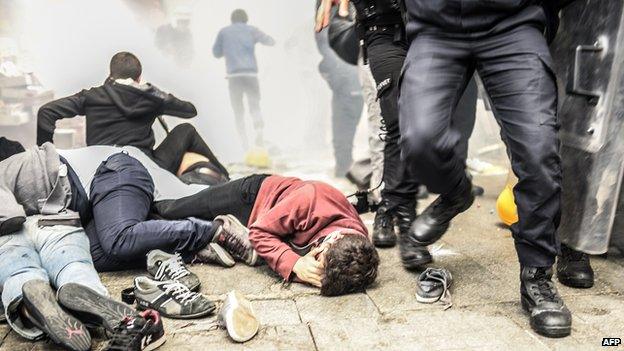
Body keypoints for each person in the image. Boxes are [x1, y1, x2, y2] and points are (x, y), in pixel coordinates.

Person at [397, 0, 570, 338]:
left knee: (538, 151)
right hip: (435, 27)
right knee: (420, 140)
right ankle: (455, 194)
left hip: (512, 23)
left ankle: (536, 275)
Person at [316, 0, 478, 264]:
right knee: (395, 122)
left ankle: (398, 205)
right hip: (383, 26)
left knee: (420, 126)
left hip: (436, 28)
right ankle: (400, 219)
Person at [0, 144, 161, 351]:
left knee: (19, 275)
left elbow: (11, 219)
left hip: (10, 239)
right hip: (57, 220)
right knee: (74, 266)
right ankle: (88, 297)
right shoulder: (22, 164)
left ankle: (28, 308)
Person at [0, 143, 249, 273]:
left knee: (118, 239)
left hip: (110, 170)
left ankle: (214, 230)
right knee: (93, 257)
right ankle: (191, 248)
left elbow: (11, 219)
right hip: (92, 203)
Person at [154, 175, 380, 296]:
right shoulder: (311, 200)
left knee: (182, 224)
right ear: (331, 241)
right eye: (318, 262)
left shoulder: (358, 244)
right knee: (169, 210)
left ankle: (216, 231)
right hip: (252, 197)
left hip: (274, 219)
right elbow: (259, 231)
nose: (314, 270)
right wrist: (294, 264)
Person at [36, 51, 229, 182]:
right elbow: (189, 111)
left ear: (111, 74)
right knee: (186, 131)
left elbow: (46, 112)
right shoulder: (151, 98)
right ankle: (226, 176)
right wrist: (156, 93)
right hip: (144, 169)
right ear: (139, 77)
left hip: (100, 169)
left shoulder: (92, 96)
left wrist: (47, 159)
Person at [212, 9, 275, 149]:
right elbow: (270, 41)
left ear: (232, 19)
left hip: (234, 77)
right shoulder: (252, 30)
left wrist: (228, 49)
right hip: (251, 75)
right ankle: (259, 130)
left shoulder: (224, 32)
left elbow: (216, 53)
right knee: (254, 105)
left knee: (238, 110)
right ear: (246, 19)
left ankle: (243, 141)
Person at [315, 5, 364, 177]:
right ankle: (344, 168)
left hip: (347, 76)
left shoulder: (330, 10)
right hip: (353, 74)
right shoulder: (337, 8)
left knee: (343, 125)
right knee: (346, 123)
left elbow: (324, 40)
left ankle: (343, 168)